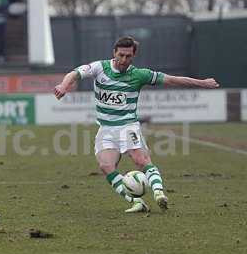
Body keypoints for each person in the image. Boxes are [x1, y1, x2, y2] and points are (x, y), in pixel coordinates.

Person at [54, 36, 219, 213]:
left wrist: (202, 83)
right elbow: (74, 74)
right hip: (106, 129)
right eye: (121, 55)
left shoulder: (139, 75)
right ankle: (136, 202)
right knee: (106, 166)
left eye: (128, 56)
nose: (124, 60)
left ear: (133, 56)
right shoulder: (99, 68)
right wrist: (64, 86)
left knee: (141, 160)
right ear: (114, 53)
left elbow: (172, 79)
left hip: (127, 126)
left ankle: (159, 193)